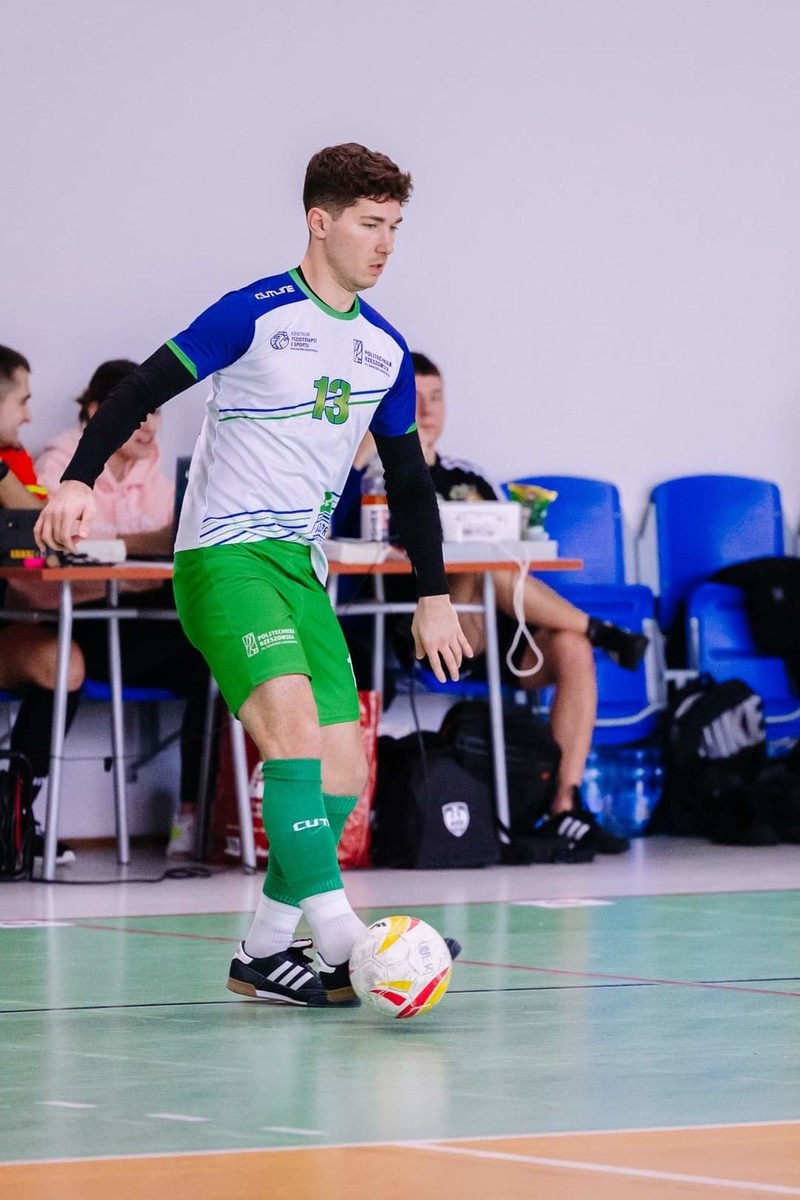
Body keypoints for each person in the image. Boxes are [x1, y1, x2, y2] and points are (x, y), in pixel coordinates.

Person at [34, 143, 469, 1007]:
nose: (386, 244)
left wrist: (433, 594)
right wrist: (78, 478)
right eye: (370, 224)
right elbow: (141, 389)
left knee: (342, 769)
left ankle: (265, 950)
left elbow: (410, 482)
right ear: (320, 222)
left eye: (395, 227)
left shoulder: (384, 349)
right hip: (224, 557)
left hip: (302, 570)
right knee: (293, 730)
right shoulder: (255, 313)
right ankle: (345, 940)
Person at [340, 352, 650, 861]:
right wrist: (369, 447)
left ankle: (565, 805)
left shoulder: (468, 477)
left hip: (495, 630)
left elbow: (511, 542)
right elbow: (333, 530)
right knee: (479, 564)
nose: (427, 410)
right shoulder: (370, 473)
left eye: (436, 398)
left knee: (570, 646)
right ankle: (602, 629)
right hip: (420, 633)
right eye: (415, 400)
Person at [24, 359, 210, 857]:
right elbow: (67, 543)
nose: (149, 425)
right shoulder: (63, 465)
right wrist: (140, 545)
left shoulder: (160, 474)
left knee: (215, 665)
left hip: (134, 623)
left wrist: (132, 551)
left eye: (155, 412)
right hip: (72, 621)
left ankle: (193, 815)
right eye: (138, 412)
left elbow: (171, 542)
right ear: (96, 413)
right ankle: (19, 819)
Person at [0, 346, 86, 865]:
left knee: (64, 662)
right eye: (22, 401)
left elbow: (43, 532)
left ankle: (10, 817)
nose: (30, 416)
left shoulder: (12, 461)